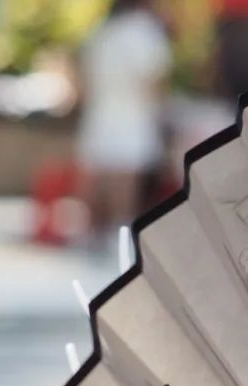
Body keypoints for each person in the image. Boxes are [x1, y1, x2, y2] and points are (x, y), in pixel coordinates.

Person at [76, 0, 172, 248]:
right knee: (124, 175)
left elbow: (83, 80)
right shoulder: (144, 31)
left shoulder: (102, 30)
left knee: (101, 173)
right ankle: (118, 236)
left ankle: (95, 234)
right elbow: (153, 80)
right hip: (133, 115)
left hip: (100, 114)